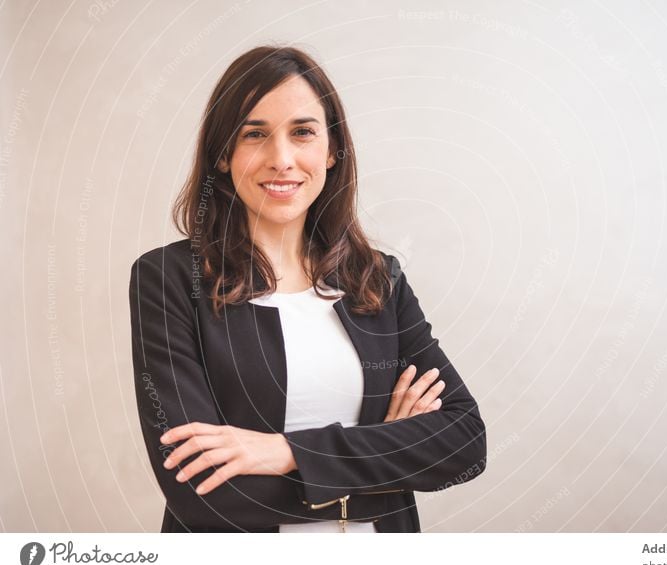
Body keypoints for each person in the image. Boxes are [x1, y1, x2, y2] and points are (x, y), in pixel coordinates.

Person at [128, 45, 487, 533]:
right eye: (254, 134)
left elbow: (463, 442)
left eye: (303, 133)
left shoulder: (377, 278)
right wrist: (387, 457)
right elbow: (203, 489)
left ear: (332, 149)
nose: (282, 159)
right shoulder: (169, 279)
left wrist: (286, 451)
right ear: (221, 154)